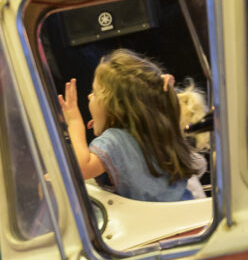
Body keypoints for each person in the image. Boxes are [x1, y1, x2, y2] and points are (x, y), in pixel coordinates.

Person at [58, 48, 205, 202]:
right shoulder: (157, 128)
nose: (89, 96)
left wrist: (74, 123)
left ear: (112, 106)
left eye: (94, 93)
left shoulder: (113, 140)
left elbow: (82, 169)